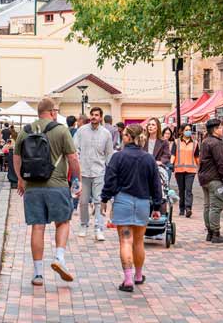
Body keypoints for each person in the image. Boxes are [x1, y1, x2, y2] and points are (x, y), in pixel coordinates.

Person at [14, 97, 80, 287]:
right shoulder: (61, 130)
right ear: (52, 112)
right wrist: (77, 180)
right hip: (57, 185)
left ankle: (38, 274)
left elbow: (16, 159)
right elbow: (73, 159)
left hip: (32, 187)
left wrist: (21, 180)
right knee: (63, 222)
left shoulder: (24, 132)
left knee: (38, 227)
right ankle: (59, 257)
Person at [101, 124, 163, 293]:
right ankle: (138, 275)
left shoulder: (118, 157)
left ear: (128, 137)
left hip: (123, 201)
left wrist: (105, 198)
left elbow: (110, 180)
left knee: (125, 241)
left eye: (124, 135)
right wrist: (157, 205)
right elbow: (156, 184)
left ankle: (127, 279)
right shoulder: (148, 158)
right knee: (139, 241)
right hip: (143, 202)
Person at [74, 106, 114, 241]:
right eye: (92, 114)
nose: (94, 117)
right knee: (83, 201)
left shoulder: (106, 134)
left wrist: (110, 173)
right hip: (83, 172)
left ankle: (99, 228)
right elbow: (75, 149)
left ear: (101, 117)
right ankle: (83, 225)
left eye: (97, 115)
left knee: (99, 201)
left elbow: (109, 154)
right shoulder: (81, 131)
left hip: (99, 172)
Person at [198, 119, 223, 243]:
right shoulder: (217, 143)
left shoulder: (205, 141)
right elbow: (221, 163)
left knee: (208, 206)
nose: (222, 129)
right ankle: (216, 233)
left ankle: (210, 232)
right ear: (215, 129)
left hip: (205, 178)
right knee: (215, 206)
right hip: (215, 178)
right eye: (220, 127)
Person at [172, 123, 200, 217]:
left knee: (188, 189)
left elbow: (197, 157)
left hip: (191, 170)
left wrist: (201, 167)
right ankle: (181, 208)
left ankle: (188, 208)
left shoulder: (195, 143)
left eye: (189, 130)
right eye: (186, 130)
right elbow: (173, 155)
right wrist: (170, 165)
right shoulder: (176, 142)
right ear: (182, 131)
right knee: (181, 190)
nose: (189, 131)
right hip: (179, 169)